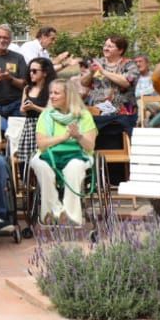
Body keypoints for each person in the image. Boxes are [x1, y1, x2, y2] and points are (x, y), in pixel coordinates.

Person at [32, 78, 97, 225]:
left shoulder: (84, 116)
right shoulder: (46, 115)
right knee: (41, 166)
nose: (52, 96)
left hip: (77, 154)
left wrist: (78, 136)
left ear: (68, 96)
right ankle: (53, 212)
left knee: (74, 167)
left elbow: (89, 147)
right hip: (48, 154)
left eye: (56, 93)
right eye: (51, 93)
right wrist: (64, 137)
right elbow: (41, 144)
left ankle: (70, 215)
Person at [81, 34, 139, 162]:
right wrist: (90, 72)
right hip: (98, 113)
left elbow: (126, 82)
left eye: (110, 46)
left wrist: (103, 71)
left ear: (120, 50)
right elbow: (84, 83)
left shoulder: (129, 64)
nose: (106, 48)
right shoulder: (98, 62)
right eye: (105, 45)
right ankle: (94, 167)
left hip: (123, 113)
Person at [0, 25, 27, 123]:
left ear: (10, 40)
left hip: (15, 105)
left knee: (16, 136)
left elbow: (25, 85)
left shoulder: (18, 58)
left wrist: (10, 79)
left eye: (5, 38)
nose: (2, 40)